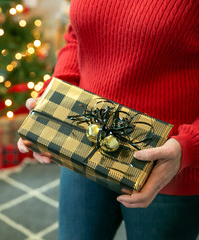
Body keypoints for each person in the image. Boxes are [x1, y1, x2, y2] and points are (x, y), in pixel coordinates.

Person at [18, 1, 199, 239]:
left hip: (165, 165)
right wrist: (57, 95)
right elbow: (77, 36)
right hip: (84, 141)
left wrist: (189, 145)